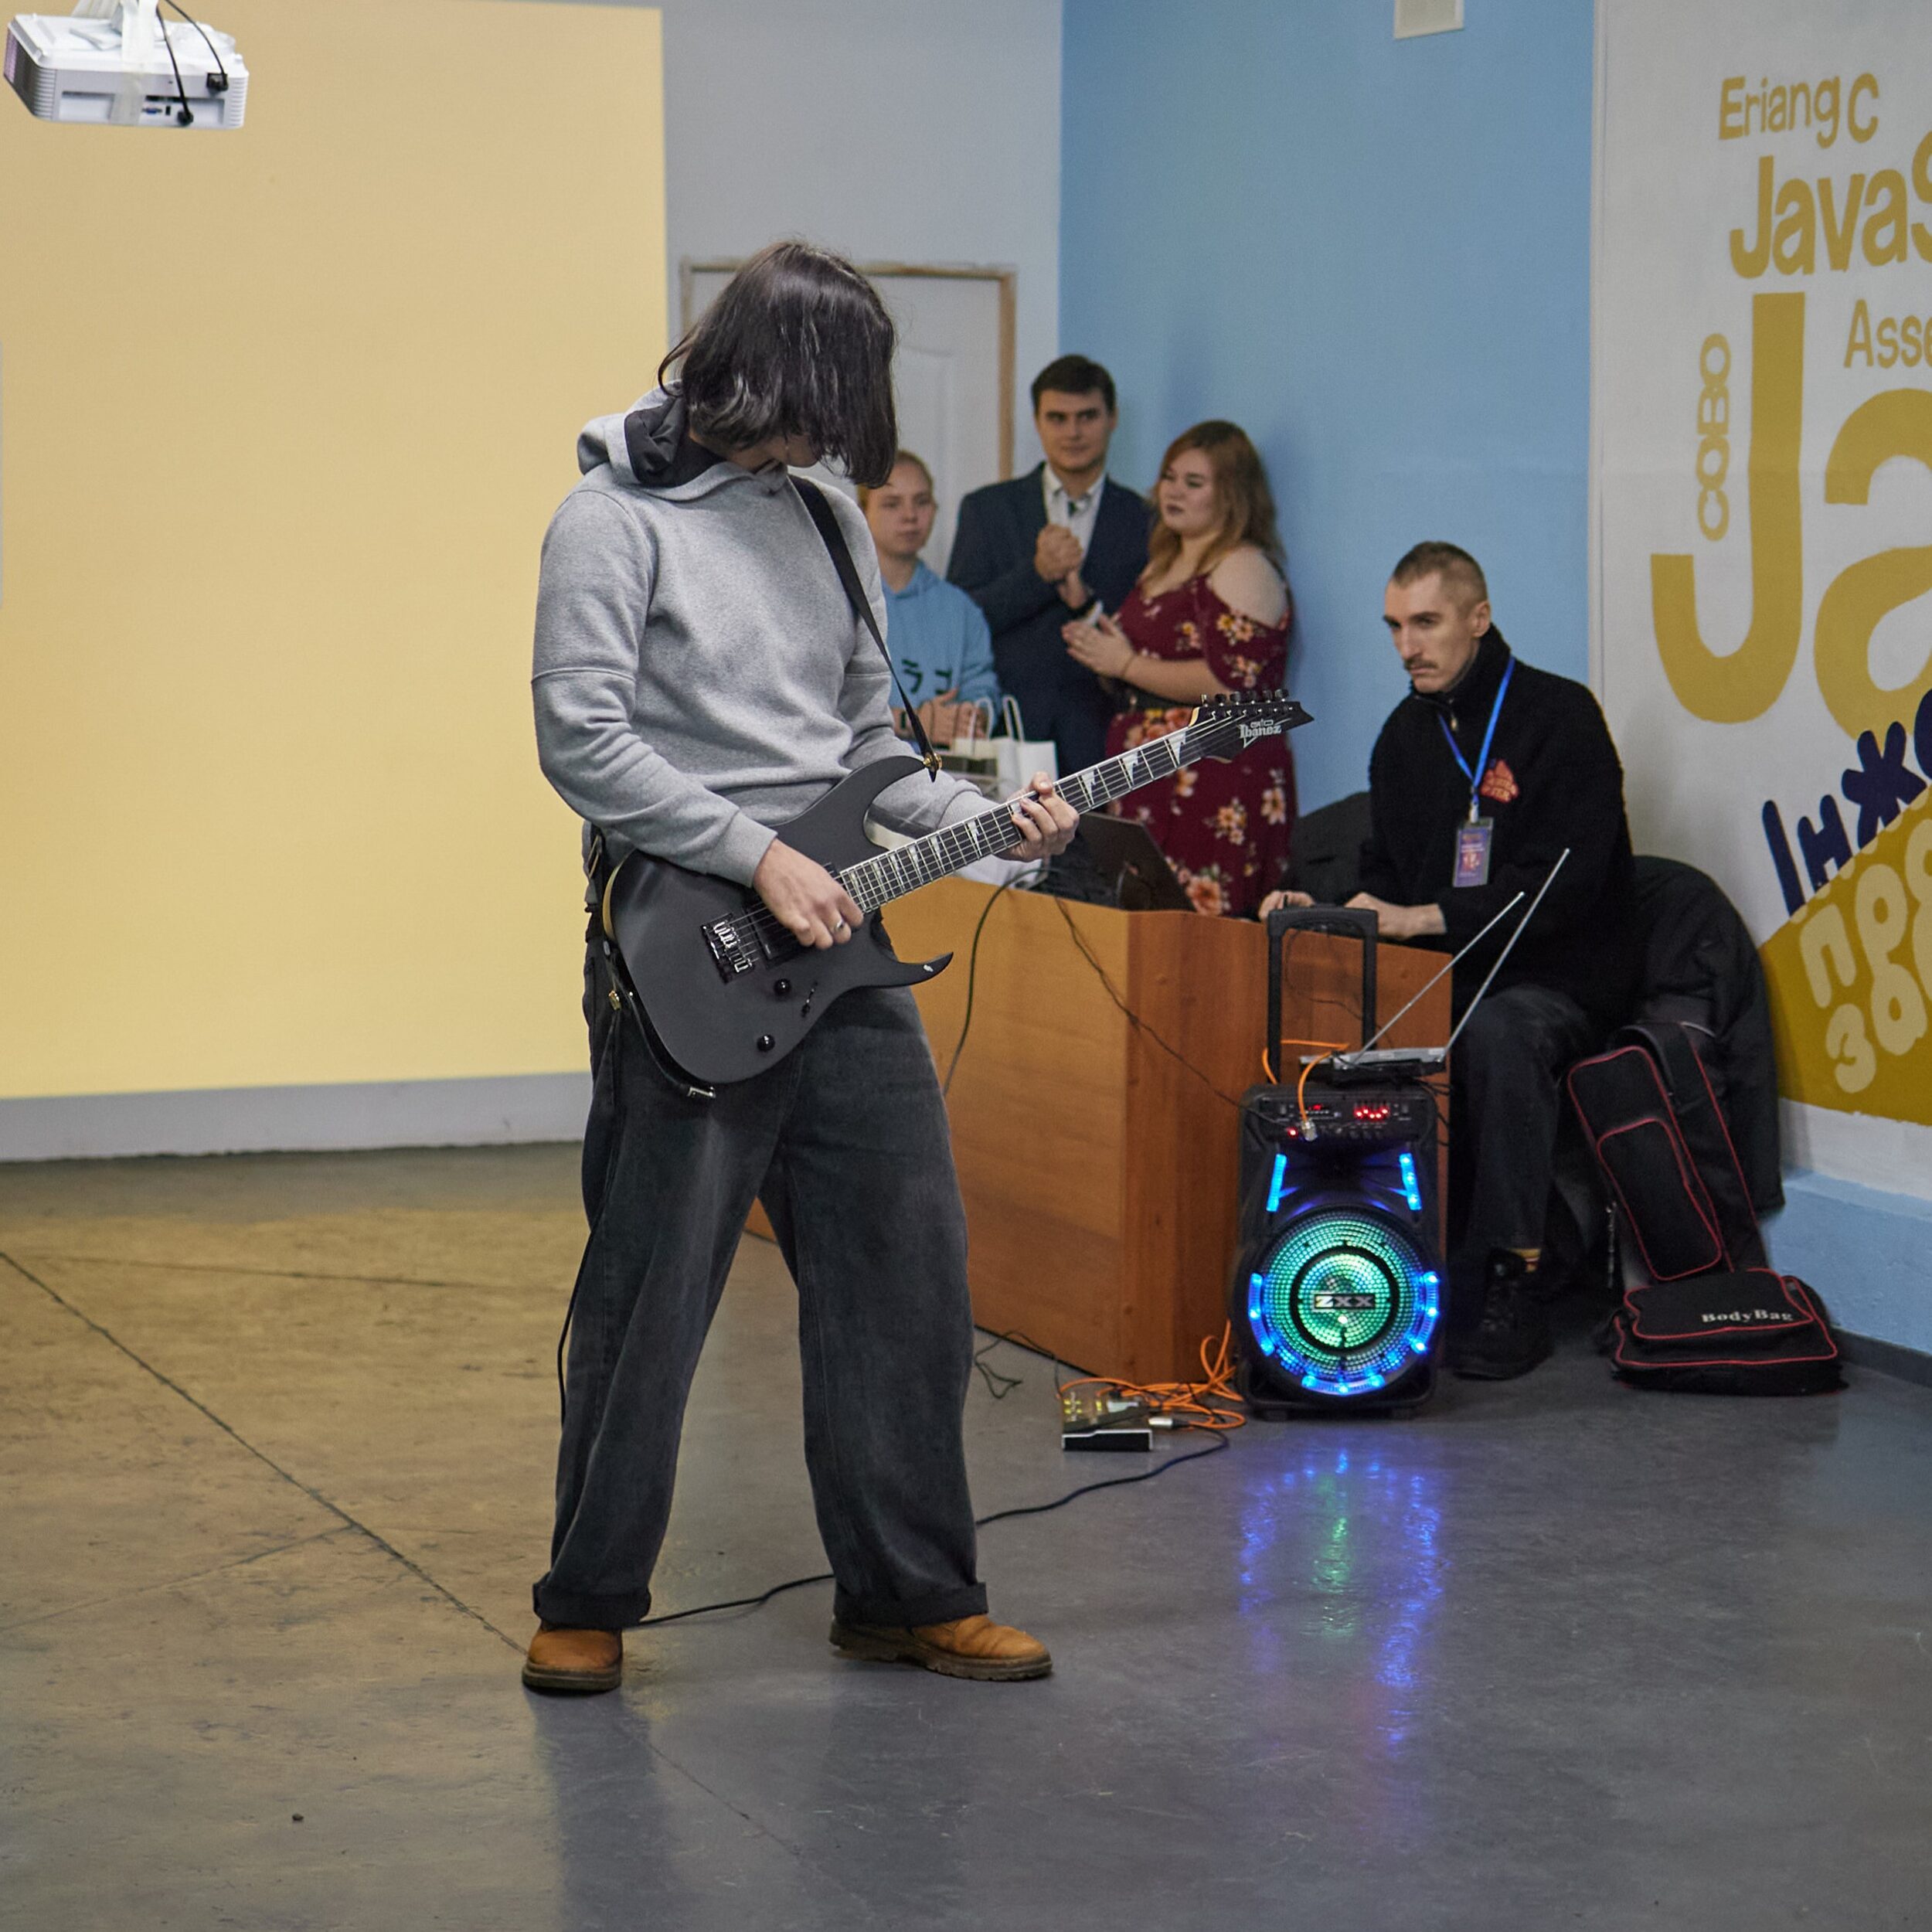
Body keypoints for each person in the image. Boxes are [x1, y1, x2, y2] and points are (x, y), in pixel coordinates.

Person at [526, 242, 1077, 1694]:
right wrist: (754, 853)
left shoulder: (827, 519)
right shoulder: (608, 523)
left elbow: (866, 748)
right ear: (760, 379)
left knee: (908, 1274)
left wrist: (984, 827)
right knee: (651, 1293)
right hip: (685, 944)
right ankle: (586, 1596)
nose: (839, 444)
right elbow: (582, 741)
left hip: (842, 953)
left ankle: (909, 1593)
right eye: (826, 408)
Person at [1262, 542, 1638, 1380]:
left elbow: (1563, 887)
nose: (1408, 646)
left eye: (1426, 623)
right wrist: (1325, 911)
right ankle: (1377, 1259)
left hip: (1560, 975)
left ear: (1479, 617)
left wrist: (1424, 917)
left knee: (1498, 1032)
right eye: (1394, 626)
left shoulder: (1560, 716)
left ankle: (1512, 1275)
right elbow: (1386, 880)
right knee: (1339, 1011)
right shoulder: (1404, 736)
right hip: (1450, 970)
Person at [1062, 421, 1294, 918]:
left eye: (1194, 482)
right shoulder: (1161, 564)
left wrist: (1126, 663)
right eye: (1169, 477)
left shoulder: (1242, 565)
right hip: (1149, 774)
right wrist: (1104, 654)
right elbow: (1143, 668)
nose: (1174, 491)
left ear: (1231, 495)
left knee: (1203, 930)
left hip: (1212, 779)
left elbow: (1234, 684)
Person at [946, 355, 1149, 774]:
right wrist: (1037, 575)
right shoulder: (987, 509)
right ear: (1037, 422)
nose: (1072, 432)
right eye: (1057, 418)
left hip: (1108, 733)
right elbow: (960, 624)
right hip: (1009, 729)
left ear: (1112, 419)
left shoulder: (1146, 518)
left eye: (1087, 416)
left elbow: (1150, 631)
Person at [859, 450, 999, 746]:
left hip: (944, 770)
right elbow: (824, 703)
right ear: (862, 511)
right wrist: (911, 721)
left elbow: (983, 691)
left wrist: (971, 717)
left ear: (935, 509)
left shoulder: (961, 609)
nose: (910, 516)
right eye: (892, 504)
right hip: (860, 768)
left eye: (921, 502)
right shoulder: (844, 599)